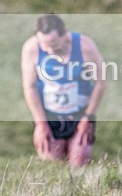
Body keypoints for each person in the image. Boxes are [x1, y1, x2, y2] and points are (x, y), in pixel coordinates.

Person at [20, 14, 107, 167]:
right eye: (44, 44)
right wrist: (40, 123)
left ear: (64, 34)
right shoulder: (31, 49)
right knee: (52, 167)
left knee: (79, 164)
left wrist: (88, 117)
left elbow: (100, 82)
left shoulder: (85, 47)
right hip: (49, 115)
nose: (49, 49)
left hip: (79, 114)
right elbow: (29, 86)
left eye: (53, 43)